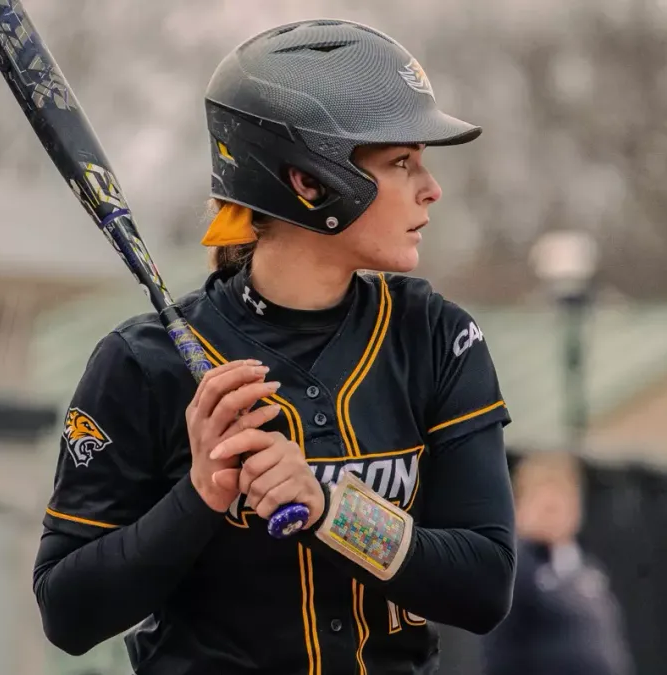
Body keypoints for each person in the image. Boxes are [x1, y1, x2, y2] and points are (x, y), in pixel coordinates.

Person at [32, 18, 517, 675]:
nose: (432, 187)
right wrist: (200, 494)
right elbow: (68, 612)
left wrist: (329, 507)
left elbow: (485, 585)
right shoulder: (142, 363)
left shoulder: (436, 337)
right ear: (309, 181)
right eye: (402, 162)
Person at [481, 452, 633, 675]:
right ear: (519, 508)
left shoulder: (587, 570)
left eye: (562, 504)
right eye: (546, 507)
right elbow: (498, 654)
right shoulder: (515, 569)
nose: (554, 515)